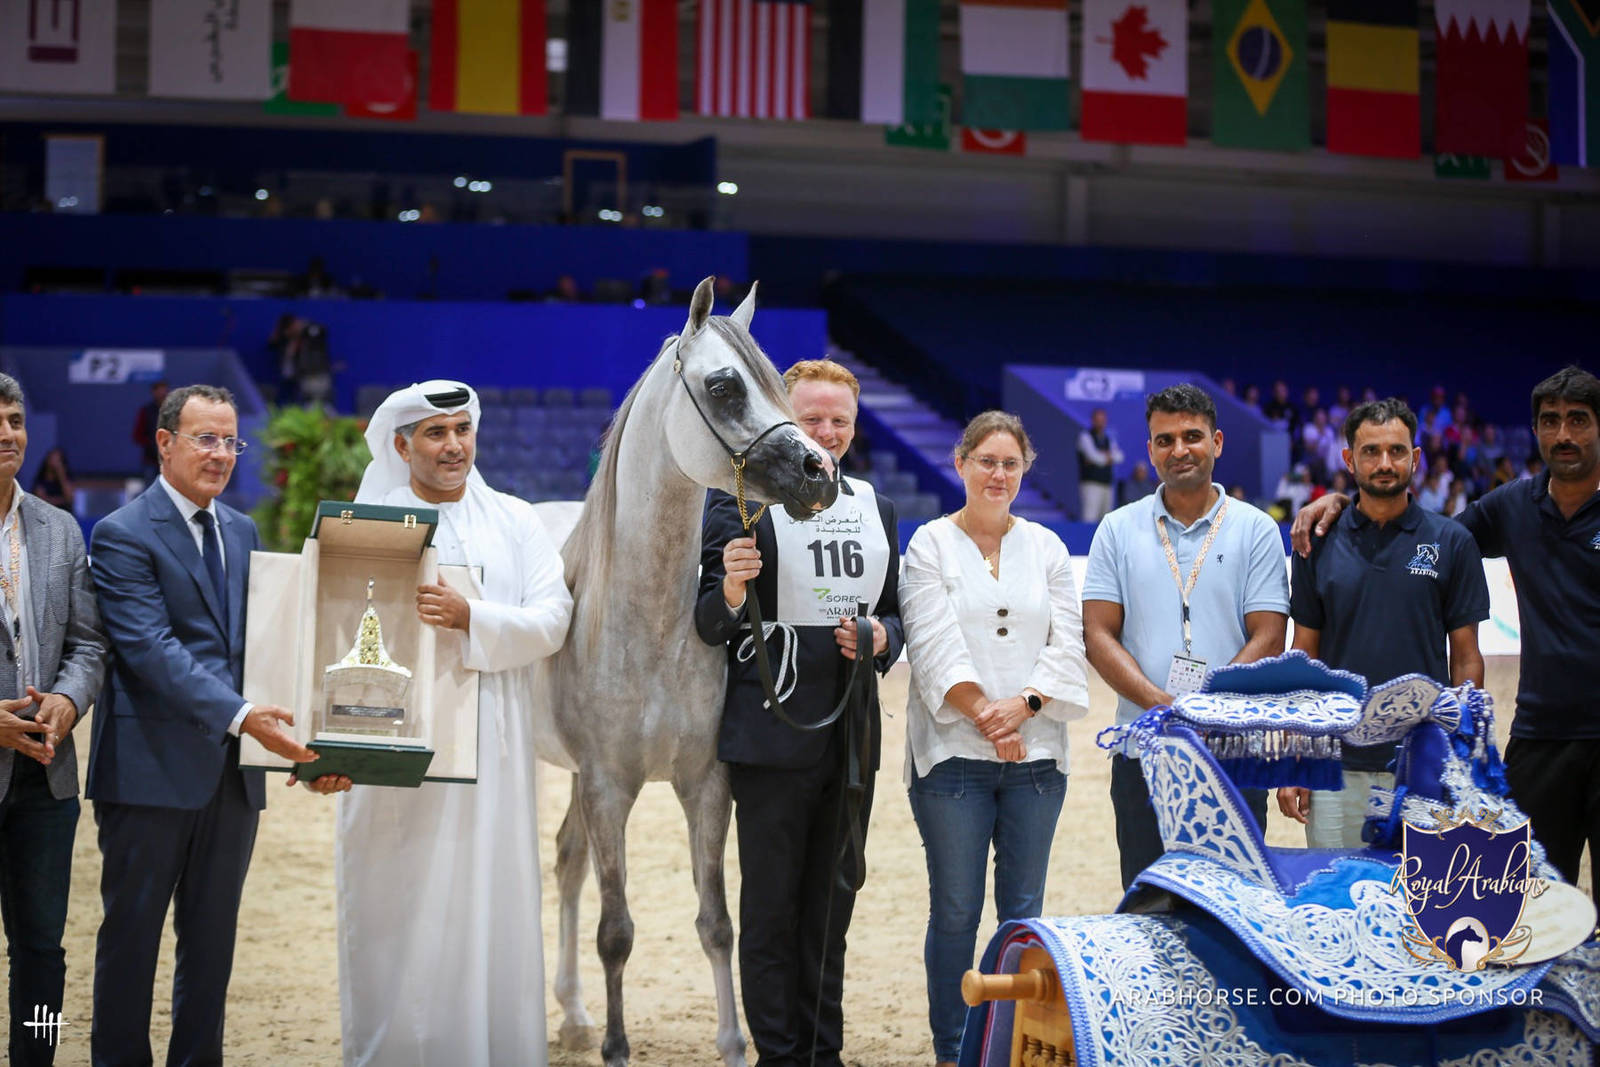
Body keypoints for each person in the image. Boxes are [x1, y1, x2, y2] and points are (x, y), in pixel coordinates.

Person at [1293, 366, 1600, 897]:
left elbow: (1463, 645)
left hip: (1456, 755)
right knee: (1532, 903)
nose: (1564, 435)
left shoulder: (1459, 534)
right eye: (1551, 421)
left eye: (1578, 420)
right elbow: (1419, 538)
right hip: (1540, 736)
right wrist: (1340, 502)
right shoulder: (1511, 507)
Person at [337, 381, 573, 1065]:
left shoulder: (515, 520)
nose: (453, 445)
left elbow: (553, 620)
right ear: (401, 444)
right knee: (396, 909)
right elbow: (332, 632)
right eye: (435, 433)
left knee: (490, 906)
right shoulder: (367, 524)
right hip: (392, 758)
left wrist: (473, 617)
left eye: (462, 430)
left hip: (494, 755)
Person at [87, 384, 319, 1066]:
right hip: (148, 773)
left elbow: (262, 647)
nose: (220, 454)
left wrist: (307, 738)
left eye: (229, 441)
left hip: (231, 778)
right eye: (205, 438)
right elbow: (151, 649)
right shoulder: (122, 533)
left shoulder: (243, 530)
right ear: (165, 443)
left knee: (212, 945)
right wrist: (247, 716)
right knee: (131, 942)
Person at [695, 358, 903, 1067]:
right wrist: (729, 588)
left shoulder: (876, 505)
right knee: (773, 909)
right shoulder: (739, 501)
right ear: (785, 418)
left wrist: (880, 638)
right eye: (811, 418)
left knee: (832, 904)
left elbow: (896, 615)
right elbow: (706, 622)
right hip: (772, 728)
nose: (826, 431)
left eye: (839, 420)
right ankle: (781, 1055)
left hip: (851, 728)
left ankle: (824, 1051)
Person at [901, 411, 1090, 1067]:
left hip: (1037, 760)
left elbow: (1069, 643)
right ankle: (954, 1049)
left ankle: (1009, 1045)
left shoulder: (1048, 549)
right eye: (987, 460)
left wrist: (1024, 707)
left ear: (1024, 470)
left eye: (1011, 463)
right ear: (961, 464)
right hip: (953, 759)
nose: (998, 474)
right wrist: (987, 715)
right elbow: (930, 644)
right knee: (954, 912)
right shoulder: (928, 544)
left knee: (1022, 914)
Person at [1082, 383, 1289, 890]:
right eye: (1165, 439)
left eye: (1192, 436)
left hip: (1233, 752)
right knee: (1150, 905)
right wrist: (1161, 705)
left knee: (1236, 908)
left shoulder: (1257, 529)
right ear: (1151, 451)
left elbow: (1270, 633)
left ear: (1217, 442)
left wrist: (1205, 709)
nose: (1180, 450)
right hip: (1143, 753)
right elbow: (1097, 634)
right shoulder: (1116, 529)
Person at [1275, 398, 1488, 848]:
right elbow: (1304, 656)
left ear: (1416, 457)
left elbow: (1466, 658)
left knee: (1419, 911)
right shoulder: (1317, 542)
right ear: (1349, 459)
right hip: (1334, 765)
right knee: (1335, 905)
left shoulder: (1452, 542)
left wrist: (1465, 756)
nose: (1385, 463)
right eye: (1370, 451)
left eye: (1397, 450)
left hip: (1423, 763)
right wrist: (1299, 755)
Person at [0, 374, 107, 1067]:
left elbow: (89, 643)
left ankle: (35, 1060)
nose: (6, 433)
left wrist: (68, 698)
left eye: (13, 419)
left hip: (45, 777)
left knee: (42, 948)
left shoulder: (59, 527)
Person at [1076, 407, 1123, 521]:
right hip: (1091, 484)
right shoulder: (1085, 436)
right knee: (1089, 518)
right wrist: (1107, 456)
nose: (1100, 423)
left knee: (1106, 521)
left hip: (1107, 485)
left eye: (1103, 420)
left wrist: (1102, 456)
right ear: (1093, 420)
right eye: (1098, 420)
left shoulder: (1108, 439)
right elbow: (1094, 457)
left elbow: (1119, 457)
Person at [130, 380, 167, 484]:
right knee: (149, 488)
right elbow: (137, 435)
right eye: (159, 391)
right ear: (153, 392)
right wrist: (151, 444)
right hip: (150, 460)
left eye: (164, 391)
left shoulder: (172, 412)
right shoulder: (146, 411)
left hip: (168, 461)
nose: (162, 394)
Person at [29, 447, 73, 511]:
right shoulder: (41, 482)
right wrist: (63, 500)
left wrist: (61, 474)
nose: (55, 463)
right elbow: (42, 502)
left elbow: (70, 498)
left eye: (58, 460)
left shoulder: (65, 479)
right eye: (53, 459)